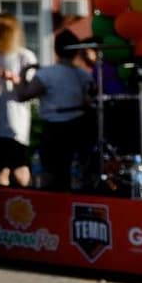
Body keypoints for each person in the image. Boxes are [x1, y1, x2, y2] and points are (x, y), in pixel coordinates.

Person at [22, 35, 93, 191]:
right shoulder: (83, 74)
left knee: (52, 174)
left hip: (55, 129)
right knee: (74, 172)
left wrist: (24, 74)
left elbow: (24, 95)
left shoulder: (47, 74)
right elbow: (91, 98)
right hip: (76, 126)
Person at [0, 13, 37, 188]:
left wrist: (9, 76)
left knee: (19, 168)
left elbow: (31, 85)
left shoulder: (24, 56)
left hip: (15, 119)